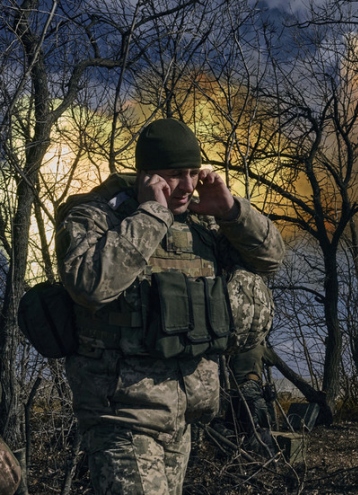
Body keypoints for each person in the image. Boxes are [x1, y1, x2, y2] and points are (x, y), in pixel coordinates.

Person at [55, 118, 285, 494]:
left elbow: (271, 259)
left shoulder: (199, 225)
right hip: (123, 417)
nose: (188, 185)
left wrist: (231, 211)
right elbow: (89, 284)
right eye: (176, 174)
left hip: (183, 420)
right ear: (146, 174)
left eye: (194, 173)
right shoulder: (97, 216)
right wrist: (151, 215)